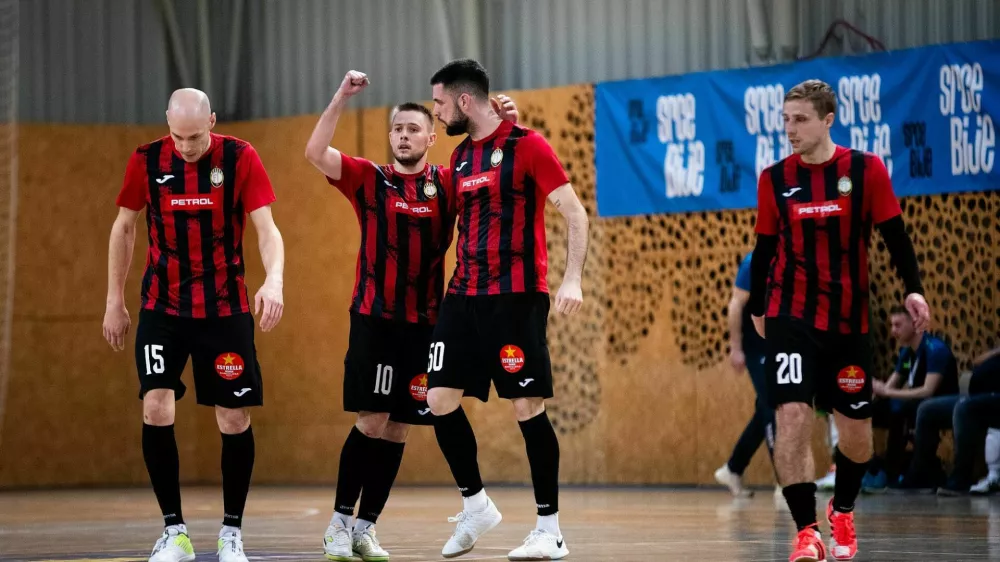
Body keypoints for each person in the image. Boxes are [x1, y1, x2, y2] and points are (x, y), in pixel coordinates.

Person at [303, 70, 518, 562]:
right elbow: (315, 154)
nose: (403, 135)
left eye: (413, 128)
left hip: (426, 326)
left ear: (431, 136)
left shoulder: (447, 182)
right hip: (375, 319)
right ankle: (338, 523)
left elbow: (496, 178)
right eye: (397, 129)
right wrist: (340, 96)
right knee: (371, 420)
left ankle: (366, 528)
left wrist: (508, 124)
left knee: (399, 426)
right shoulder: (368, 178)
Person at [748, 79, 930, 562]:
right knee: (790, 418)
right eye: (786, 119)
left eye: (801, 119)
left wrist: (914, 288)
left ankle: (842, 511)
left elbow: (895, 235)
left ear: (828, 120)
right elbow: (765, 248)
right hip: (791, 315)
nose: (790, 129)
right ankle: (806, 532)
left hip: (849, 323)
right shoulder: (773, 178)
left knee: (856, 435)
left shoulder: (865, 170)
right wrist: (758, 308)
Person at [102, 89, 285, 562]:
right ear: (167, 123)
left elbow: (266, 227)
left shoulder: (240, 156)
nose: (185, 146)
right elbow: (125, 227)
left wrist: (275, 282)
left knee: (233, 417)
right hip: (162, 309)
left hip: (225, 311)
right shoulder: (145, 160)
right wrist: (113, 301)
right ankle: (174, 531)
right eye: (177, 135)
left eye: (196, 136)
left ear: (213, 122)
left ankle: (231, 533)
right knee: (156, 407)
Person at [425, 59, 589, 561]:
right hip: (463, 297)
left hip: (516, 298)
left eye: (438, 103)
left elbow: (575, 212)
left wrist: (572, 279)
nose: (436, 113)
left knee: (526, 407)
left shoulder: (528, 145)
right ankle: (476, 506)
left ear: (464, 101)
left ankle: (550, 529)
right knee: (437, 399)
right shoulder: (457, 160)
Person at [863, 305, 958, 490]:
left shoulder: (934, 348)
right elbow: (889, 388)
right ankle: (872, 466)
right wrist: (875, 390)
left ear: (915, 323)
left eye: (898, 325)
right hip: (915, 405)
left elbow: (927, 391)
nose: (893, 331)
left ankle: (892, 472)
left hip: (940, 404)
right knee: (874, 408)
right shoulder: (907, 353)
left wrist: (887, 392)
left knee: (900, 409)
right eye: (892, 325)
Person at [715, 251, 777, 497]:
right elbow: (735, 304)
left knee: (765, 408)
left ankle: (733, 468)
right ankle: (786, 483)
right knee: (773, 406)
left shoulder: (796, 257)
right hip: (756, 346)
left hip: (779, 343)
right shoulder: (754, 262)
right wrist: (736, 348)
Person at [899, 345, 1000, 495]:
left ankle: (961, 477)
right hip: (977, 396)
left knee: (963, 408)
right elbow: (976, 362)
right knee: (927, 409)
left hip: (993, 398)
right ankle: (923, 474)